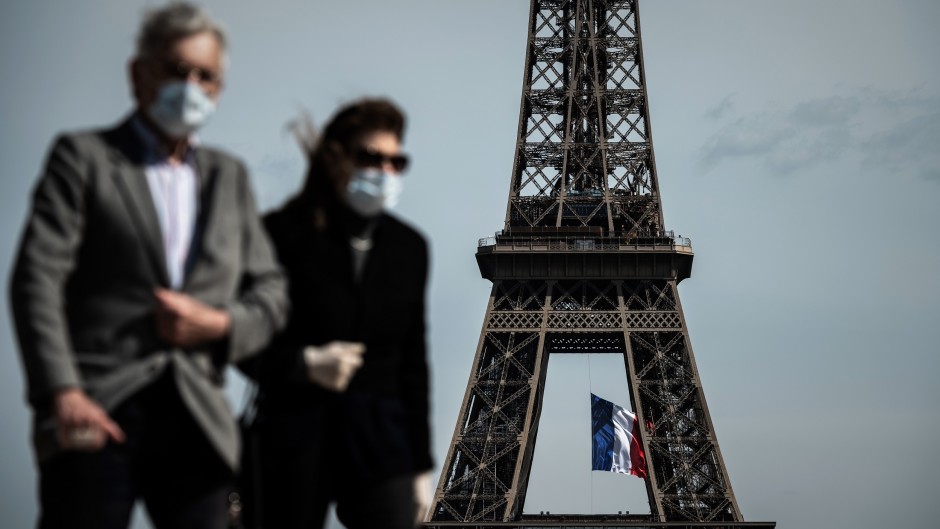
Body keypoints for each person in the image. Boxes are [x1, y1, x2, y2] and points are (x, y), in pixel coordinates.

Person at [8, 3, 288, 529]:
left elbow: (271, 293)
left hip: (197, 420)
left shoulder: (230, 179)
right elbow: (36, 278)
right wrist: (61, 392)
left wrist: (219, 323)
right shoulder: (84, 158)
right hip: (97, 409)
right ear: (139, 74)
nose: (192, 86)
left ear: (219, 90)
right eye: (177, 71)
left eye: (206, 76)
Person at [246, 98, 432, 529]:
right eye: (370, 157)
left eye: (395, 161)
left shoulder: (409, 248)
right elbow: (239, 339)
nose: (383, 171)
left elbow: (413, 364)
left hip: (380, 445)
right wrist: (303, 364)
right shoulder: (280, 235)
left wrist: (420, 467)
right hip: (294, 435)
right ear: (336, 157)